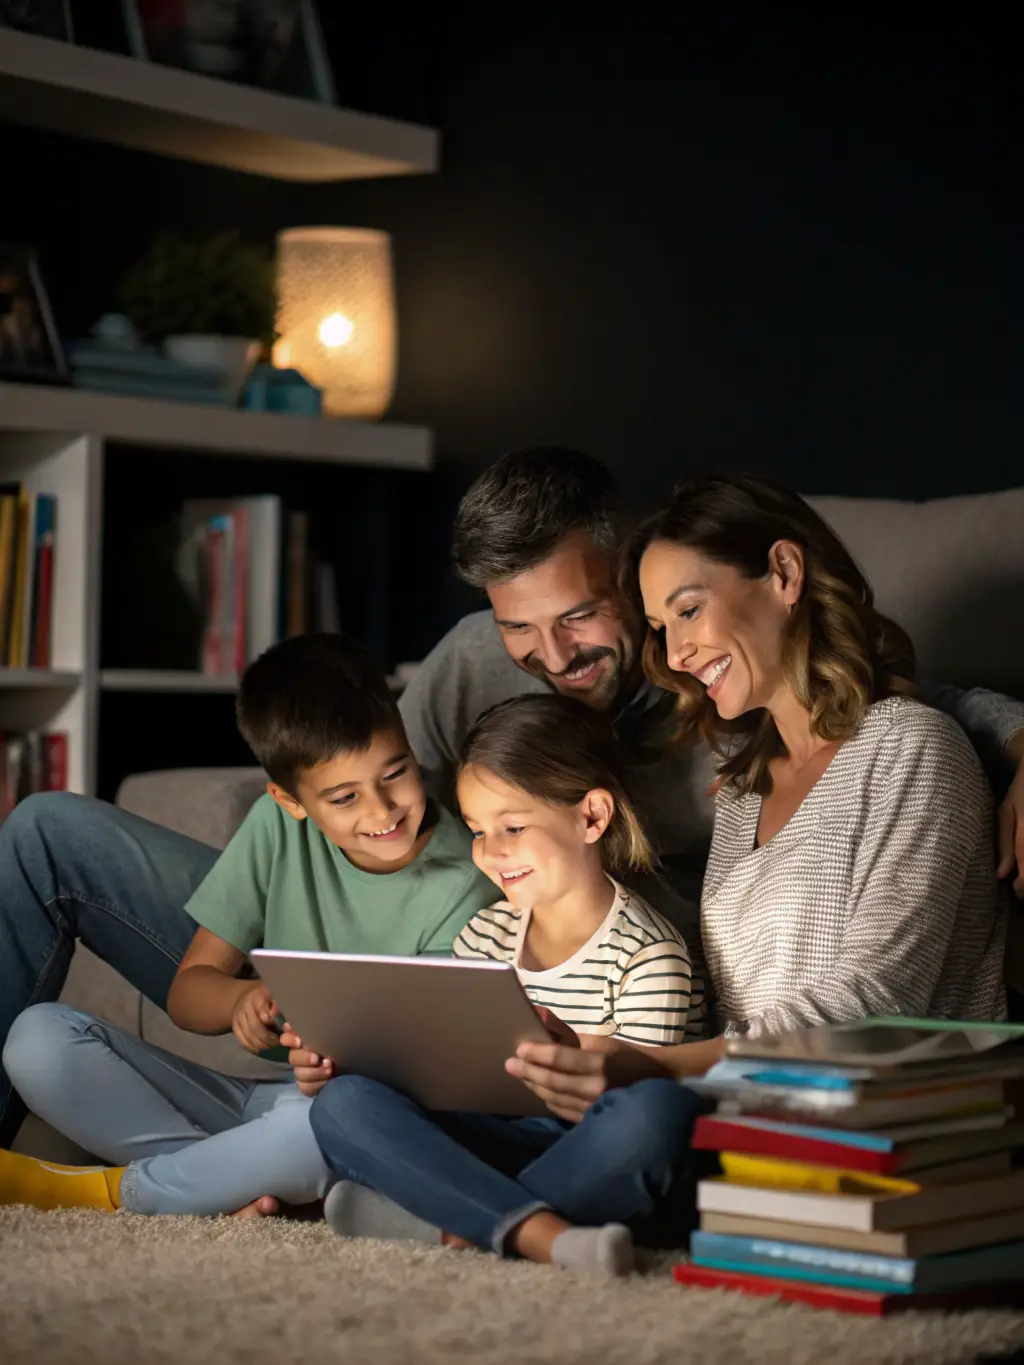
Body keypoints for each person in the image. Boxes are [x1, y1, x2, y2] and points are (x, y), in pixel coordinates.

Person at [1, 447, 1022, 1151]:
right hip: (408, 953)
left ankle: (287, 1137)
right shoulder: (470, 665)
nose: (549, 658)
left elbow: (898, 714)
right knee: (46, 833)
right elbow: (358, 774)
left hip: (571, 994)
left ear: (632, 576)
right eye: (517, 629)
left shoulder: (726, 694)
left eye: (578, 617)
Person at [500, 473, 1010, 1125]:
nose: (677, 654)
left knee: (628, 1127)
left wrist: (652, 1065)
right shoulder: (743, 786)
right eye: (659, 627)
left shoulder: (911, 748)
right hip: (738, 1109)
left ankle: (502, 1210)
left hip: (884, 1122)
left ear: (784, 572)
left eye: (687, 610)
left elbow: (874, 1005)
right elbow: (733, 1008)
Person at [0, 634, 496, 1214]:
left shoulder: (467, 880)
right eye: (343, 797)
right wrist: (238, 1000)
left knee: (325, 1128)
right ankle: (219, 1182)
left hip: (342, 1112)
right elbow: (189, 992)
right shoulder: (276, 827)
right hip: (260, 1108)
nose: (381, 811)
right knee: (36, 1041)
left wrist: (336, 1073)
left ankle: (113, 1192)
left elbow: (437, 1077)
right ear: (290, 801)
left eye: (396, 774)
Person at [305, 695, 708, 1275]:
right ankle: (537, 1232)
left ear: (591, 817)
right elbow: (449, 1078)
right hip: (490, 1136)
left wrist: (577, 1060)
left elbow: (631, 1102)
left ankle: (453, 1220)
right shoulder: (486, 933)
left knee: (655, 1116)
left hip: (583, 1152)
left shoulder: (649, 958)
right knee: (343, 1103)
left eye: (513, 827)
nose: (491, 853)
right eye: (476, 830)